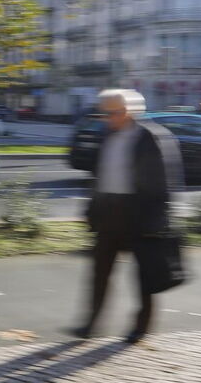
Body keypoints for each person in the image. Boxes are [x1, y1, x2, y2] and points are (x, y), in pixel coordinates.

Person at [69, 88, 183, 344]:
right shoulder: (107, 135)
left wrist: (159, 217)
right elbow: (98, 176)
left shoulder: (151, 137)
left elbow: (164, 182)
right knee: (99, 272)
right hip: (108, 212)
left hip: (139, 213)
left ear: (130, 111)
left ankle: (140, 327)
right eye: (105, 113)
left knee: (143, 276)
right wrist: (91, 210)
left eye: (114, 112)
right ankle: (91, 323)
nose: (109, 117)